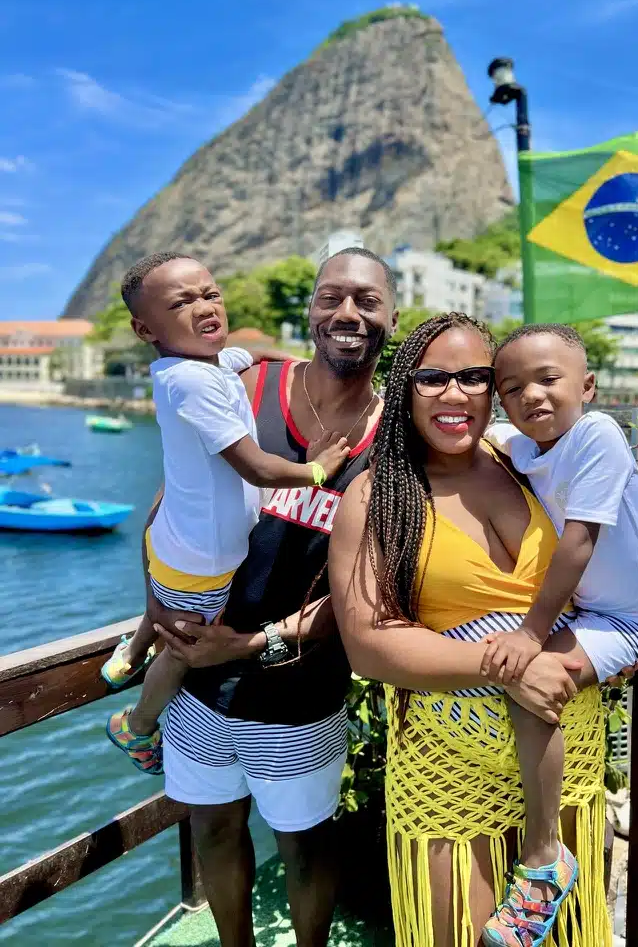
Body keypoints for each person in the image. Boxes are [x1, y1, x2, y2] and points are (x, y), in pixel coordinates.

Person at [329, 312, 614, 947]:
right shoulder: (378, 497)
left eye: (474, 377)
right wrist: (509, 664)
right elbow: (369, 643)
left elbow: (606, 561)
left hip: (568, 756)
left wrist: (617, 640)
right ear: (405, 387)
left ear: (498, 389)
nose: (455, 394)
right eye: (433, 378)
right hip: (451, 771)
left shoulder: (532, 462)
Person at [148, 248, 398, 947]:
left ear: (391, 318)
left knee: (304, 844)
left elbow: (362, 595)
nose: (347, 314)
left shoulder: (396, 445)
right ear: (311, 311)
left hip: (297, 692)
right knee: (213, 827)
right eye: (331, 298)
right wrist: (153, 608)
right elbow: (172, 496)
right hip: (197, 684)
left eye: (367, 301)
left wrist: (256, 644)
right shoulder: (243, 385)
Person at [101, 251, 349, 775]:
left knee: (165, 609)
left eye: (210, 294)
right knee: (184, 646)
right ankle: (138, 724)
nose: (204, 306)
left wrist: (303, 362)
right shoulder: (191, 383)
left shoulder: (204, 364)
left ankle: (126, 658)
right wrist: (318, 470)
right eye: (182, 302)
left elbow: (251, 355)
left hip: (178, 538)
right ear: (145, 328)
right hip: (202, 560)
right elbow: (257, 468)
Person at [474, 322, 638, 945]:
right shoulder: (525, 446)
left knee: (533, 681)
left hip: (630, 617)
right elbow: (477, 429)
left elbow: (581, 539)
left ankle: (543, 854)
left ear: (586, 387)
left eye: (548, 379)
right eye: (511, 388)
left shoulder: (598, 434)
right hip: (583, 612)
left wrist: (533, 634)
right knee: (509, 675)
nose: (531, 396)